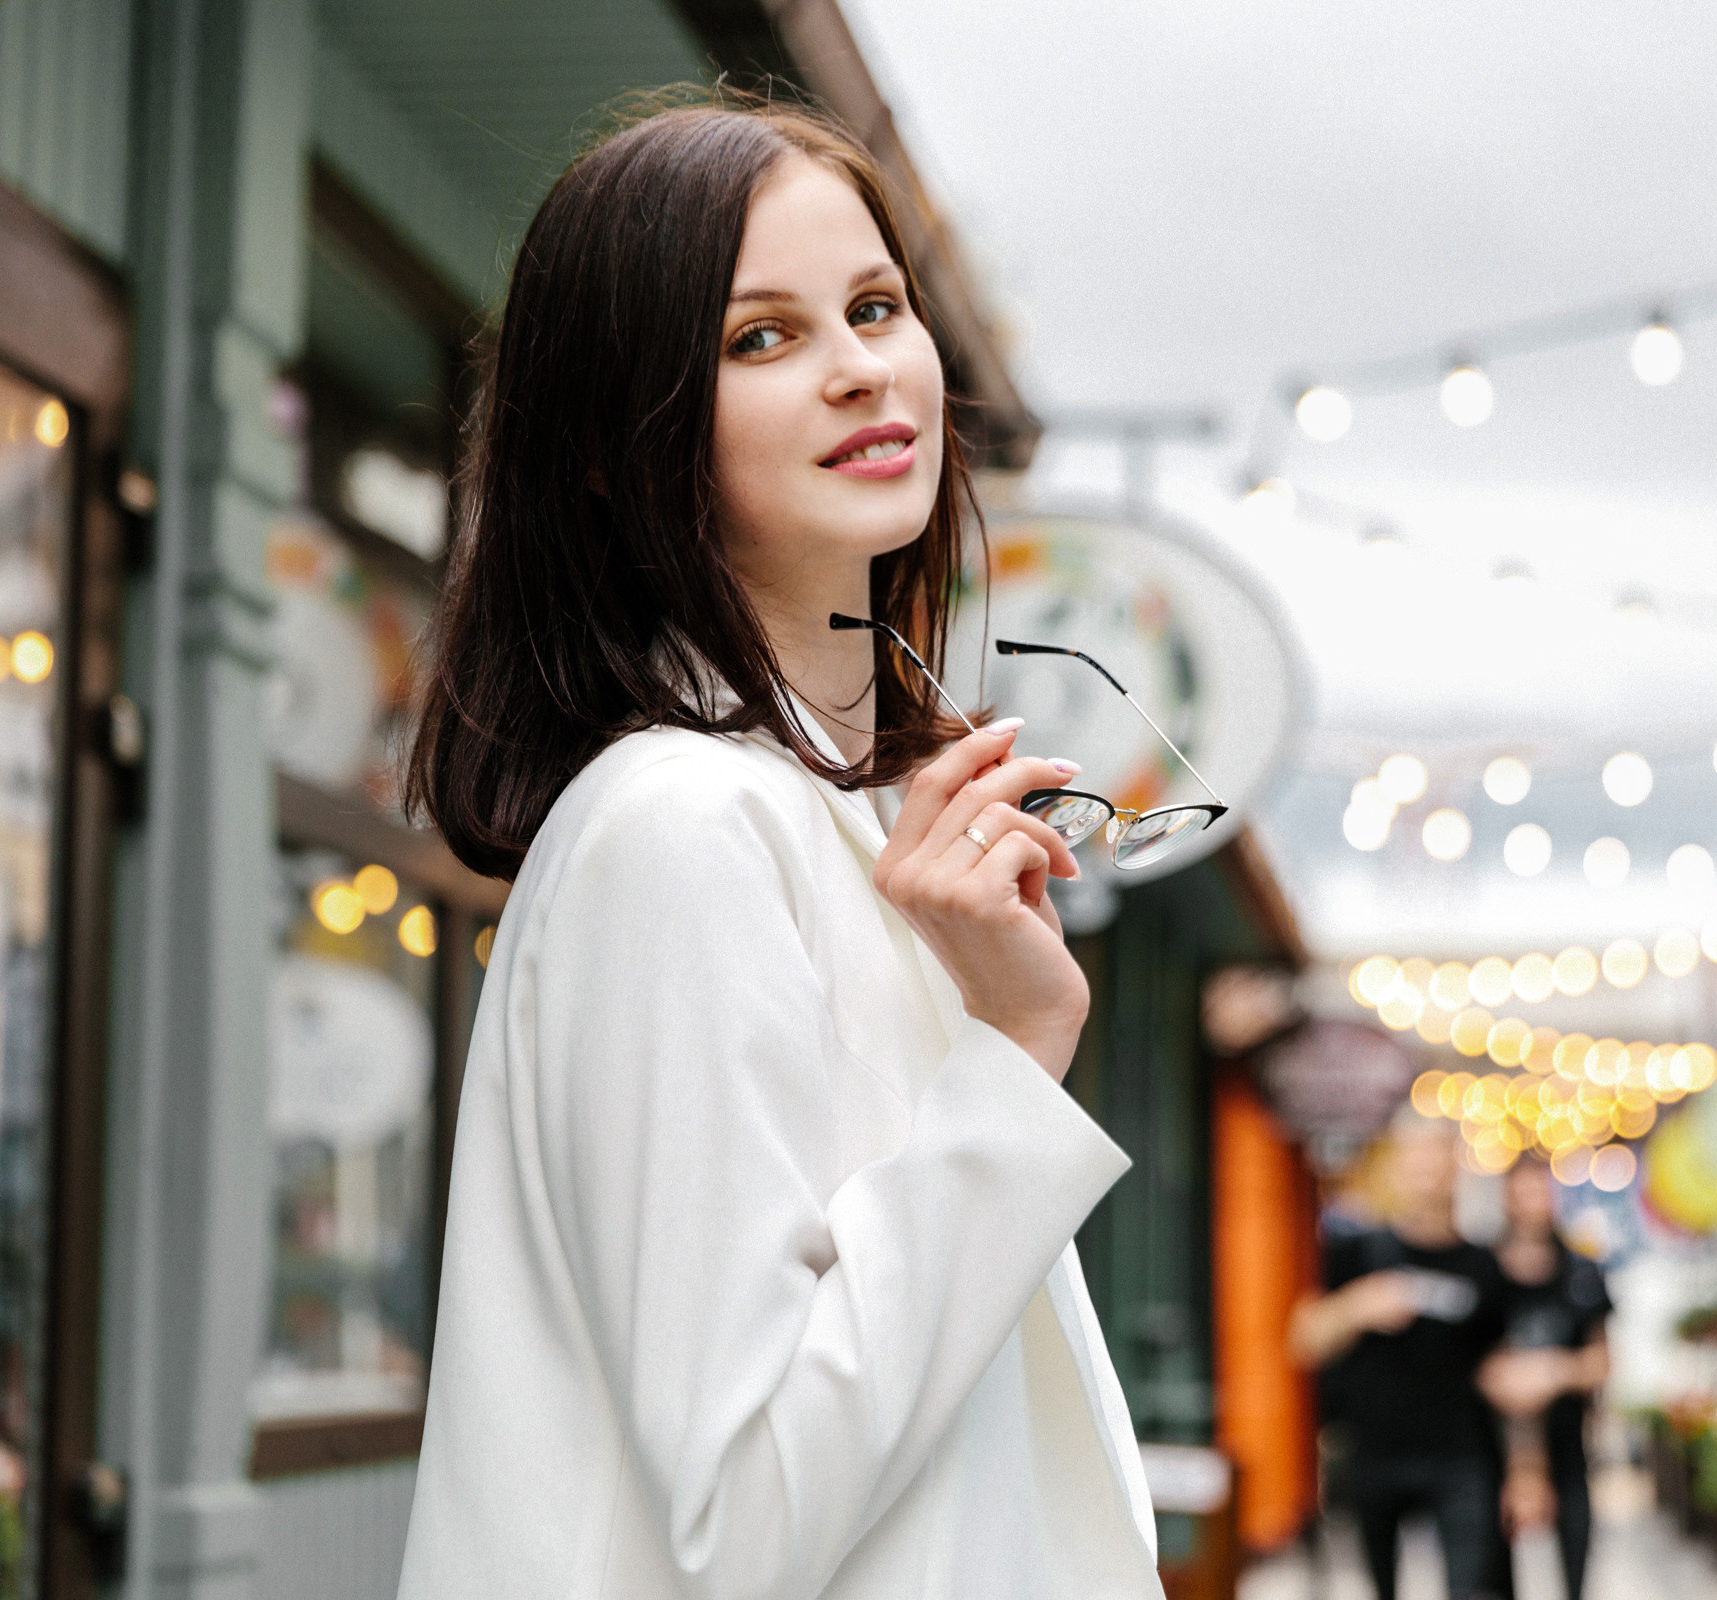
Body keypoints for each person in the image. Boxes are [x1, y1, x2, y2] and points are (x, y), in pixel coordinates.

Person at [394, 97, 1160, 1598]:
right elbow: (742, 1511)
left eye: (874, 307)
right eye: (762, 338)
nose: (860, 365)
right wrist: (1016, 1050)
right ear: (610, 444)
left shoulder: (817, 818)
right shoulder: (679, 827)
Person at [1291, 1117, 1509, 1600]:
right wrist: (1358, 1306)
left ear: (1456, 1168)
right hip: (1376, 1451)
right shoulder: (1357, 1253)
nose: (1426, 1170)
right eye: (1416, 1157)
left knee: (1471, 1585)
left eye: (1437, 1156)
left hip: (1462, 1453)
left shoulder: (1483, 1264)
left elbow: (1500, 1359)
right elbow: (1303, 1339)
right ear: (1397, 1168)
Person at [1481, 1159, 1614, 1600]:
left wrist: (1552, 1371)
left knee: (1575, 1562)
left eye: (1538, 1191)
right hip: (1492, 1447)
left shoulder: (1581, 1270)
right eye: (1521, 1193)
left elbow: (1601, 1361)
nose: (1531, 1204)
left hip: (1567, 1441)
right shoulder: (1484, 1270)